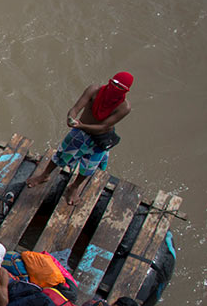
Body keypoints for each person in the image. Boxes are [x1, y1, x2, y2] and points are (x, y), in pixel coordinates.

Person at [25, 73, 133, 206]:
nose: (114, 88)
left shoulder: (124, 107)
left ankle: (74, 187)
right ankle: (45, 175)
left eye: (119, 87)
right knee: (61, 154)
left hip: (100, 139)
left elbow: (103, 126)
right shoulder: (94, 90)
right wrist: (71, 117)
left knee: (89, 167)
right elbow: (75, 108)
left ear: (126, 91)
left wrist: (82, 125)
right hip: (80, 133)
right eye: (114, 84)